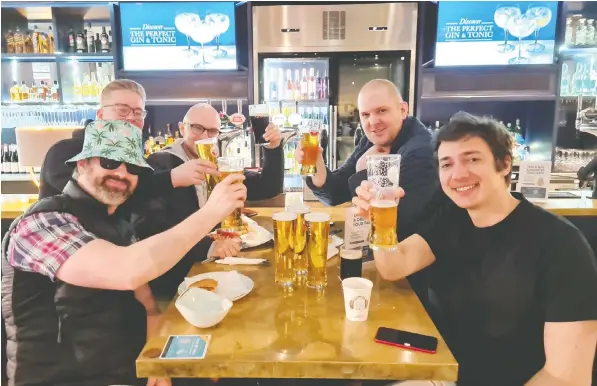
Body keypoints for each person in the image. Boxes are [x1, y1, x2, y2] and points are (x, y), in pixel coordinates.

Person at [352, 112, 597, 386]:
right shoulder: (453, 219)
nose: (458, 174)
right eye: (447, 164)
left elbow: (566, 378)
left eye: (473, 159)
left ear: (504, 164)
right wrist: (378, 224)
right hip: (447, 375)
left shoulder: (561, 245)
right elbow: (394, 266)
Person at [2, 120, 247, 386]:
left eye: (132, 167)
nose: (121, 173)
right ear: (82, 164)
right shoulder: (42, 223)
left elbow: (149, 307)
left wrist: (158, 362)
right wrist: (211, 213)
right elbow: (127, 270)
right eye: (109, 162)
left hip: (125, 370)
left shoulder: (118, 223)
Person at [133, 103, 285, 298]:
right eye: (197, 128)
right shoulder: (161, 165)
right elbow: (151, 229)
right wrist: (208, 247)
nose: (205, 137)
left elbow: (268, 187)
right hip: (175, 283)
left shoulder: (216, 164)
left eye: (212, 131)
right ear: (182, 128)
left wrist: (273, 148)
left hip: (213, 268)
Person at [297, 79, 438, 241]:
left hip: (410, 257)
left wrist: (364, 169)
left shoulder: (422, 148)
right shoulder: (371, 139)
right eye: (365, 115)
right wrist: (316, 162)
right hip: (379, 247)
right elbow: (335, 193)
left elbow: (398, 222)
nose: (372, 122)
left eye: (381, 111)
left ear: (402, 110)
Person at [38, 79, 207, 202]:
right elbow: (106, 199)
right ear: (100, 115)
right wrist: (172, 178)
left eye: (138, 112)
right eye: (122, 110)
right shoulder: (65, 152)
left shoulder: (132, 158)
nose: (132, 117)